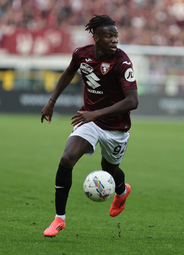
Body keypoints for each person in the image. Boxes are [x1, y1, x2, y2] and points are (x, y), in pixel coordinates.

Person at [41, 14, 138, 237]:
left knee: (110, 169)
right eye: (109, 36)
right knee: (67, 158)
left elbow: (133, 101)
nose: (114, 40)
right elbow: (68, 72)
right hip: (90, 121)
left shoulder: (122, 62)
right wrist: (51, 101)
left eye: (116, 36)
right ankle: (59, 219)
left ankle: (122, 190)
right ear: (96, 37)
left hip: (115, 127)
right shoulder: (81, 54)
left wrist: (96, 113)